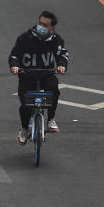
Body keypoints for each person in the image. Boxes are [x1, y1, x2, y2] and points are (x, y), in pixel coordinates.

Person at [8, 10, 70, 143]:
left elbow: (63, 54)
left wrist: (61, 65)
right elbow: (14, 54)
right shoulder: (25, 38)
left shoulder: (56, 40)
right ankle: (24, 128)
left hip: (46, 74)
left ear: (52, 28)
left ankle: (50, 119)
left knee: (53, 90)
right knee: (25, 104)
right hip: (27, 76)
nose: (41, 27)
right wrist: (14, 65)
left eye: (45, 25)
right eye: (40, 23)